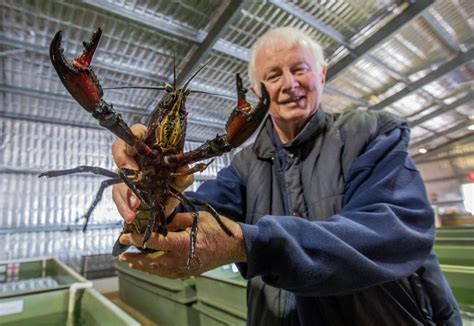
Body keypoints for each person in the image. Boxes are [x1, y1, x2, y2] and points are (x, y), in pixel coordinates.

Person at [112, 27, 461, 325]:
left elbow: (392, 232)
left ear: (322, 75)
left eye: (300, 69)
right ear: (255, 93)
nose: (289, 84)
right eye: (274, 75)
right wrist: (151, 192)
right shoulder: (245, 165)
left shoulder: (372, 133)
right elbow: (191, 215)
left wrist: (250, 243)